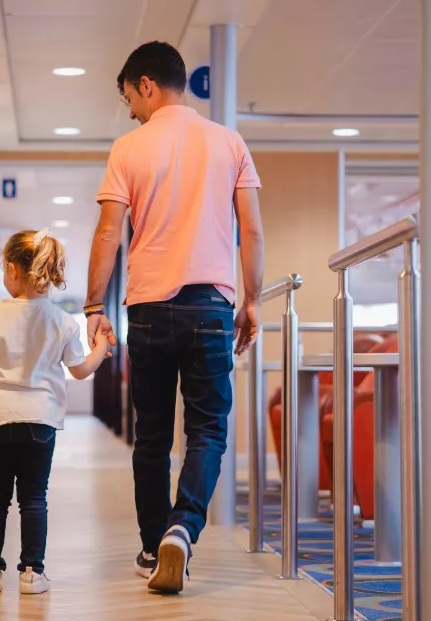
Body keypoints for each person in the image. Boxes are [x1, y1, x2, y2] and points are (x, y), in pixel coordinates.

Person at [85, 41, 265, 593]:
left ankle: (149, 545)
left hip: (147, 307)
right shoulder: (230, 142)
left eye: (129, 99)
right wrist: (251, 300)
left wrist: (93, 305)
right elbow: (251, 231)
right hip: (211, 304)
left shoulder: (128, 147)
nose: (131, 111)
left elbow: (109, 232)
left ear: (145, 84)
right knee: (208, 428)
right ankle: (182, 530)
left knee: (153, 436)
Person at [0, 229, 111, 595]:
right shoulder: (62, 320)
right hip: (40, 420)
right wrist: (101, 346)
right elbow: (80, 370)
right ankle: (32, 573)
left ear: (12, 269)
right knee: (34, 498)